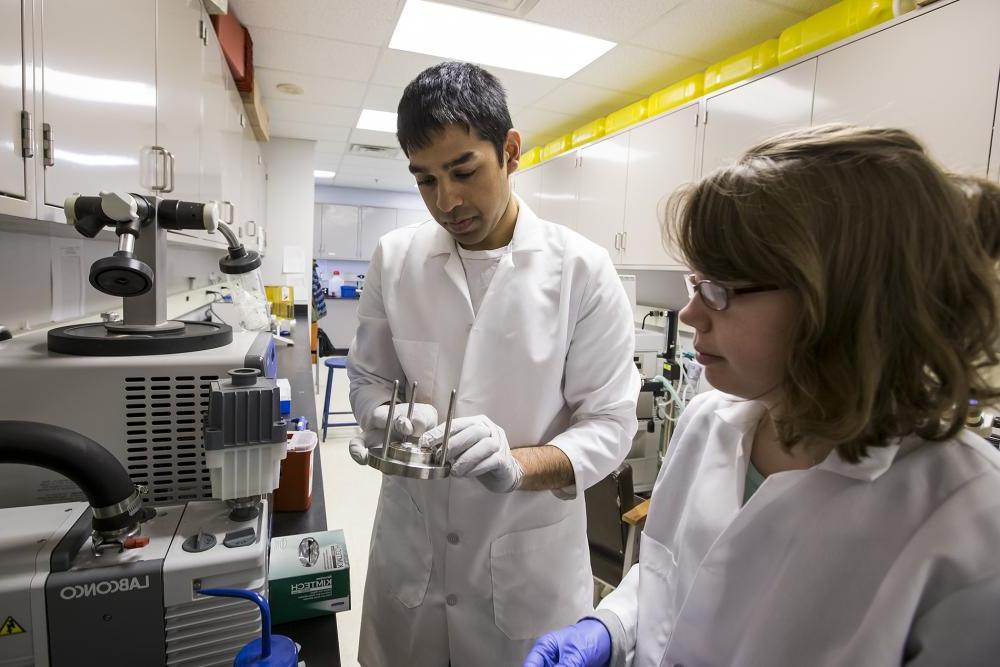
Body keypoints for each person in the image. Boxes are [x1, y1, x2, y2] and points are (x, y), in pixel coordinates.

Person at [525, 124, 1000, 667]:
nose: (691, 314)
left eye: (721, 290)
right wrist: (612, 623)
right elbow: (671, 574)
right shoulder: (711, 420)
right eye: (695, 282)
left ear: (843, 303)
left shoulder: (971, 522)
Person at [346, 61, 640, 667]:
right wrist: (383, 419)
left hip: (528, 575)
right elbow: (369, 379)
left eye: (463, 170)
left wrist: (518, 464)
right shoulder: (394, 259)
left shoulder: (581, 272)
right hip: (412, 558)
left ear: (509, 151)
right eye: (425, 180)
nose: (446, 201)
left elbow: (610, 426)